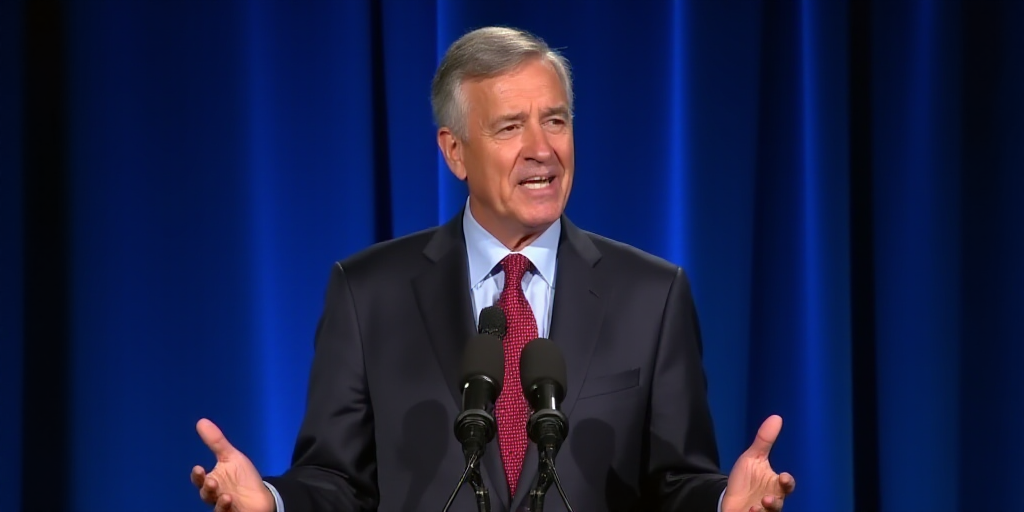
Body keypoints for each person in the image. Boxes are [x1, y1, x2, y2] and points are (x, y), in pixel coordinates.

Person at [191, 26, 796, 512]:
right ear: (455, 152)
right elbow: (337, 481)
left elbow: (674, 483)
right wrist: (271, 502)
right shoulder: (367, 291)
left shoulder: (652, 294)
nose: (542, 147)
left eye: (555, 120)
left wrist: (722, 502)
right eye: (511, 127)